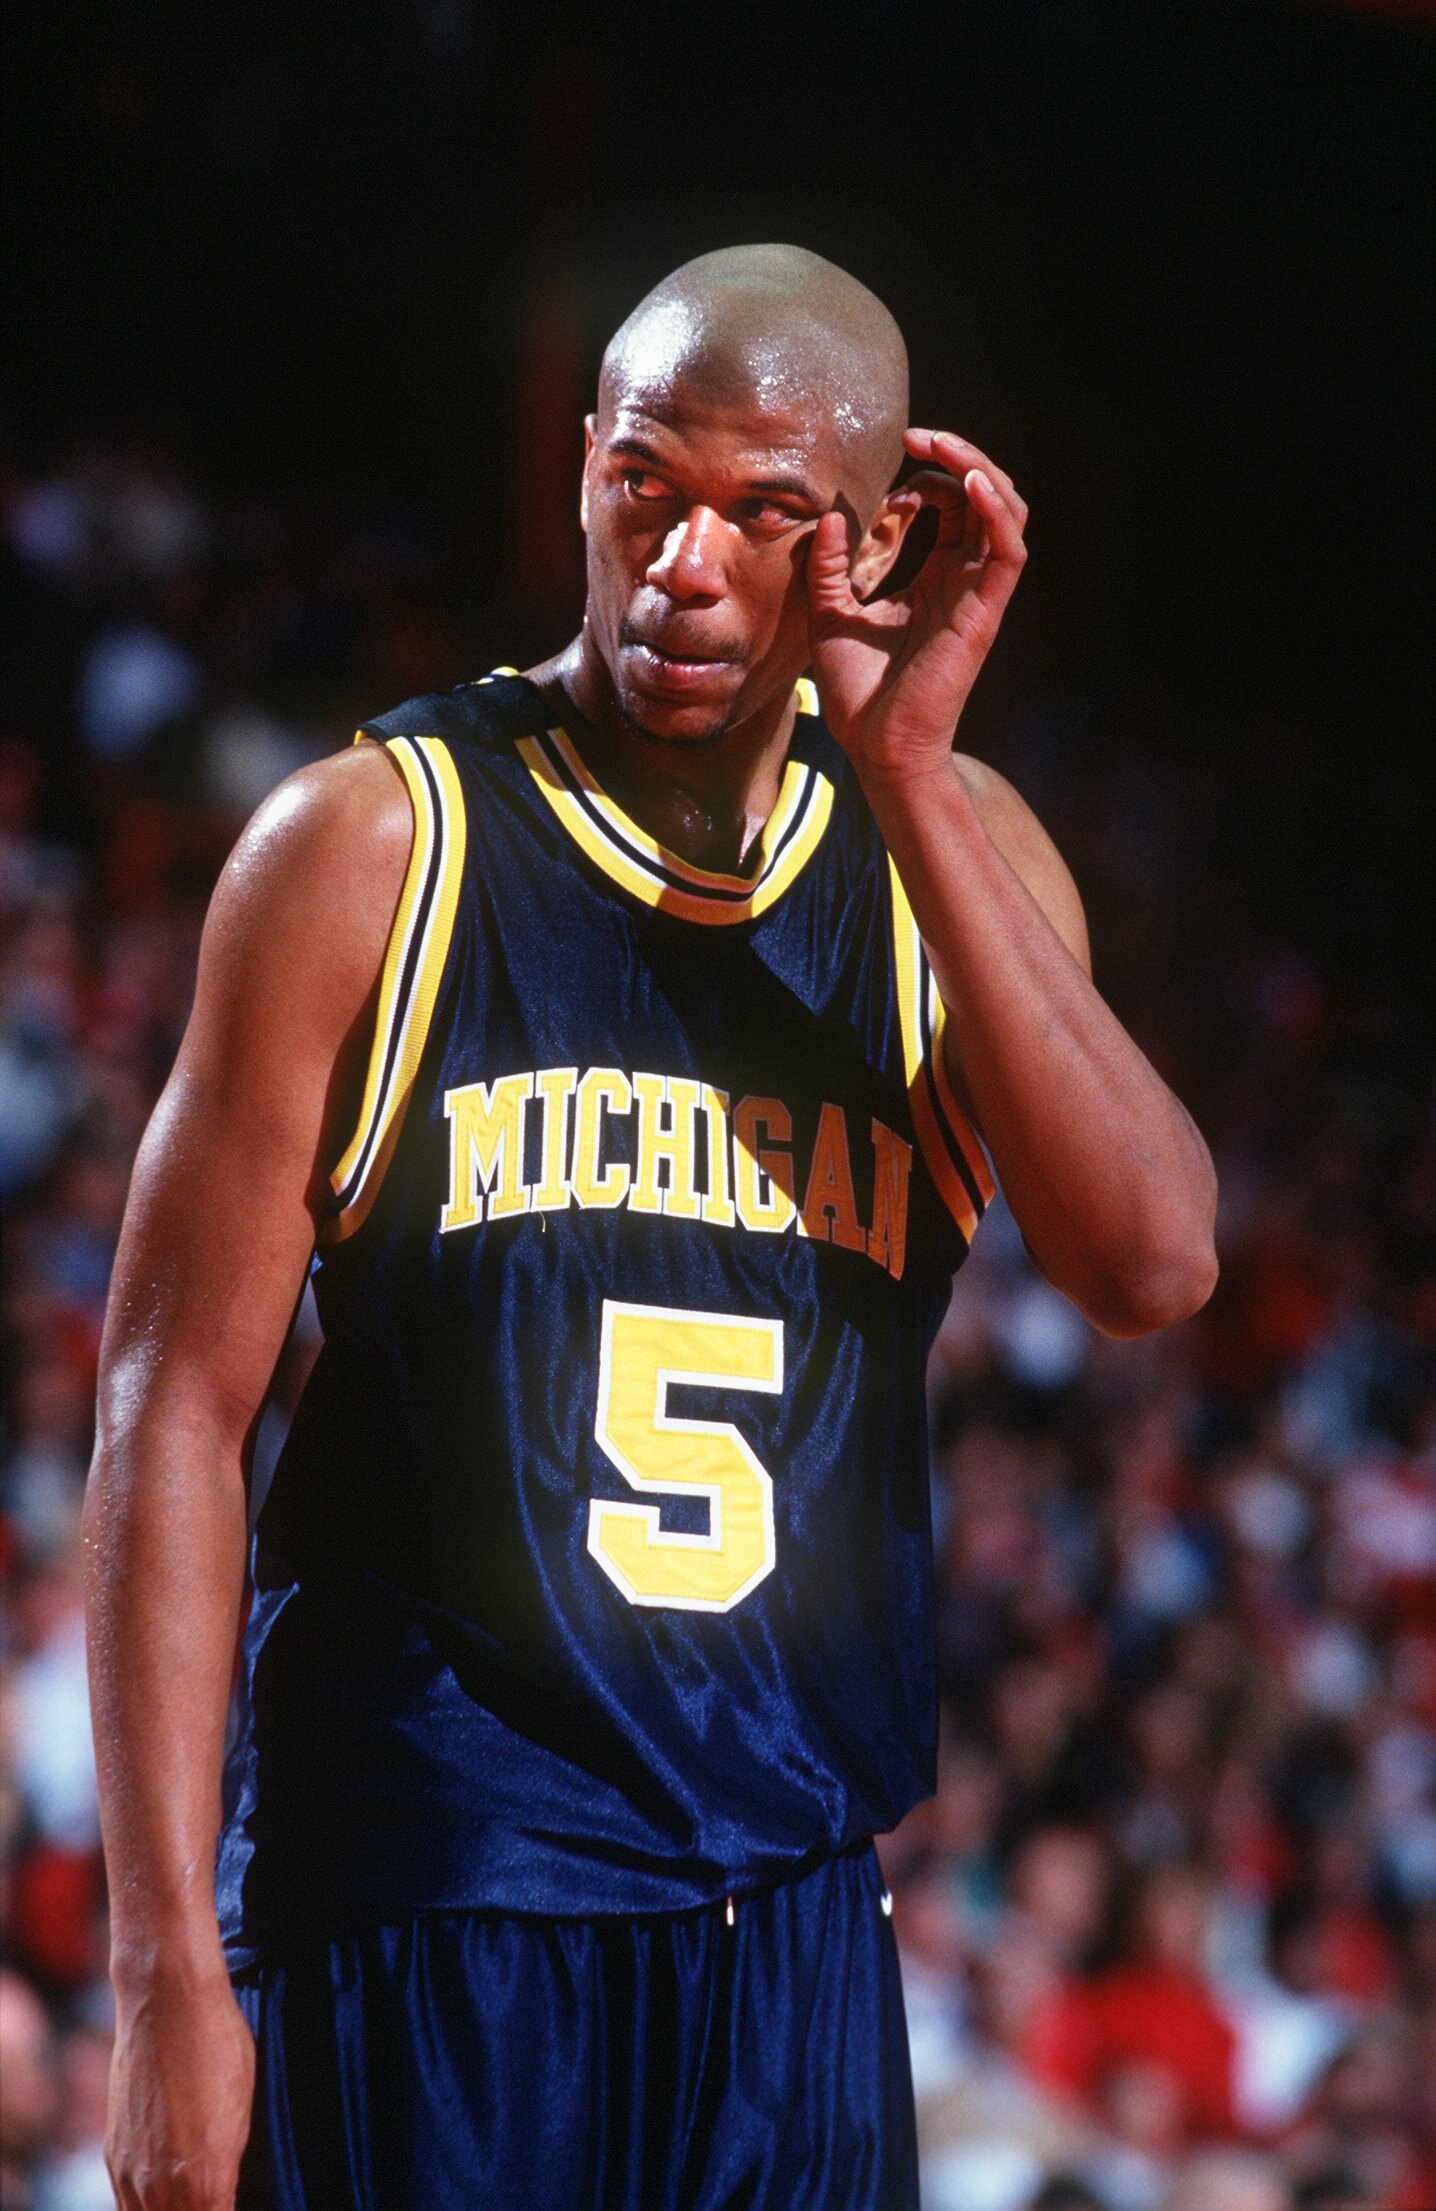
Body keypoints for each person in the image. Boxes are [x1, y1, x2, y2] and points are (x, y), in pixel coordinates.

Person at [83, 244, 1218, 2211]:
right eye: (643, 488)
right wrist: (166, 1959)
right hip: (434, 1875)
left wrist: (915, 776)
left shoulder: (950, 864)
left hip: (782, 1904)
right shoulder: (376, 844)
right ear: (584, 476)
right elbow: (170, 1403)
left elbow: (1152, 1263)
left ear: (867, 541)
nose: (685, 562)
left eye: (765, 517)